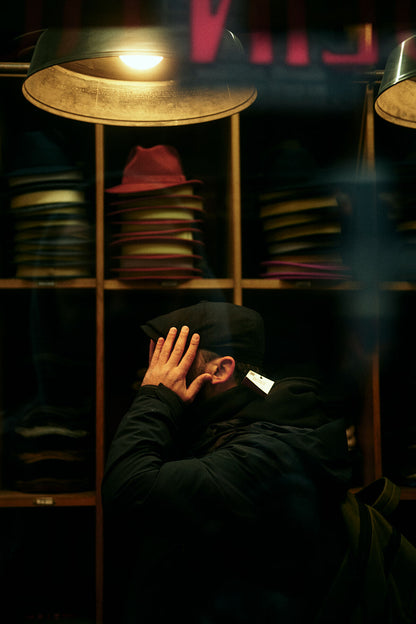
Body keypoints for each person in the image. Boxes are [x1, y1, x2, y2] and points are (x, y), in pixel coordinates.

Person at [101, 301, 352, 624]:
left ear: (220, 370)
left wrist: (156, 396)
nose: (153, 375)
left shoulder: (264, 453)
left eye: (174, 357)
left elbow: (127, 490)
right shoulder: (221, 426)